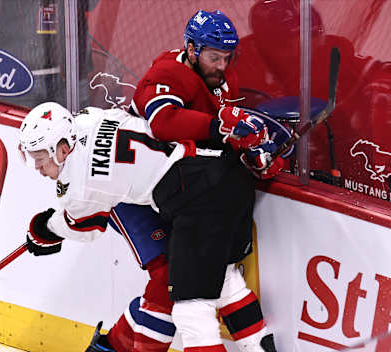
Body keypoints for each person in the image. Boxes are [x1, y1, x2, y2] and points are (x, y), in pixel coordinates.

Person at [18, 101, 281, 351]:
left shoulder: (79, 187)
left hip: (195, 197)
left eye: (40, 157)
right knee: (224, 280)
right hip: (227, 170)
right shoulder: (90, 117)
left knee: (190, 310)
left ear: (63, 148)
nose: (38, 167)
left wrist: (43, 228)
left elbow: (84, 228)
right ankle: (258, 346)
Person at [128, 9, 282, 351]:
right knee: (179, 286)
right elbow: (163, 122)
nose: (222, 66)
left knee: (222, 277)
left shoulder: (221, 80)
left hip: (193, 192)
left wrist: (254, 151)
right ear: (192, 49)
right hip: (138, 191)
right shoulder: (168, 72)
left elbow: (220, 136)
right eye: (214, 57)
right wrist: (222, 130)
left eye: (228, 57)